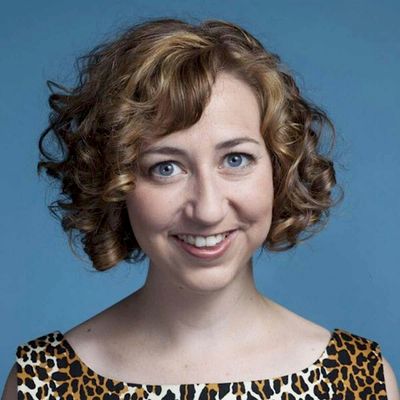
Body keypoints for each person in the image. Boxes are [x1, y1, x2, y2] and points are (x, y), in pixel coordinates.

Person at [2, 17, 399, 400]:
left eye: (236, 159)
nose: (207, 210)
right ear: (114, 180)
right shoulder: (43, 382)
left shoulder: (359, 381)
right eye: (166, 168)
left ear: (278, 168)